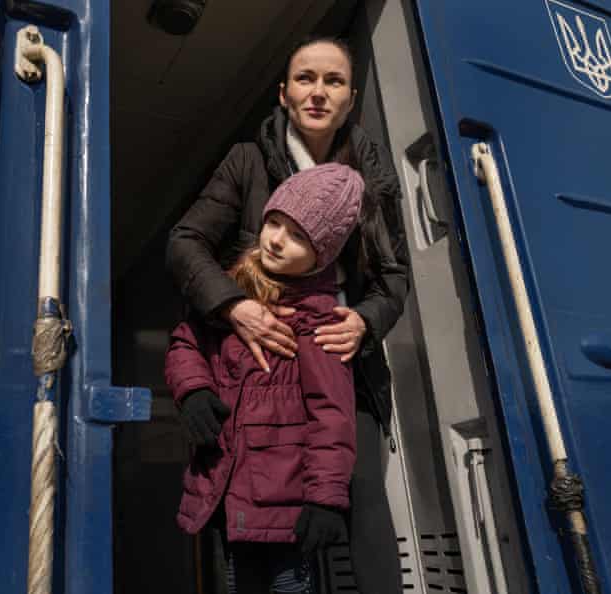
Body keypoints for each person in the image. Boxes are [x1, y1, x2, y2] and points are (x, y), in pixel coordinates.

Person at [166, 37, 409, 594]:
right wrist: (235, 305)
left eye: (333, 81)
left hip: (339, 361)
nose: (318, 92)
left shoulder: (375, 181)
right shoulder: (247, 162)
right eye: (305, 78)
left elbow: (394, 277)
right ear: (284, 92)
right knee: (247, 511)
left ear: (351, 99)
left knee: (361, 507)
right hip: (258, 361)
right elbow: (185, 242)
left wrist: (367, 320)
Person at [165, 164, 363, 593]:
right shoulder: (230, 291)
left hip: (287, 508)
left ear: (321, 254)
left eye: (297, 236)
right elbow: (186, 341)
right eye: (274, 222)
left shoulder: (319, 323)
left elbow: (333, 416)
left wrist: (325, 497)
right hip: (227, 491)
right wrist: (194, 389)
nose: (275, 239)